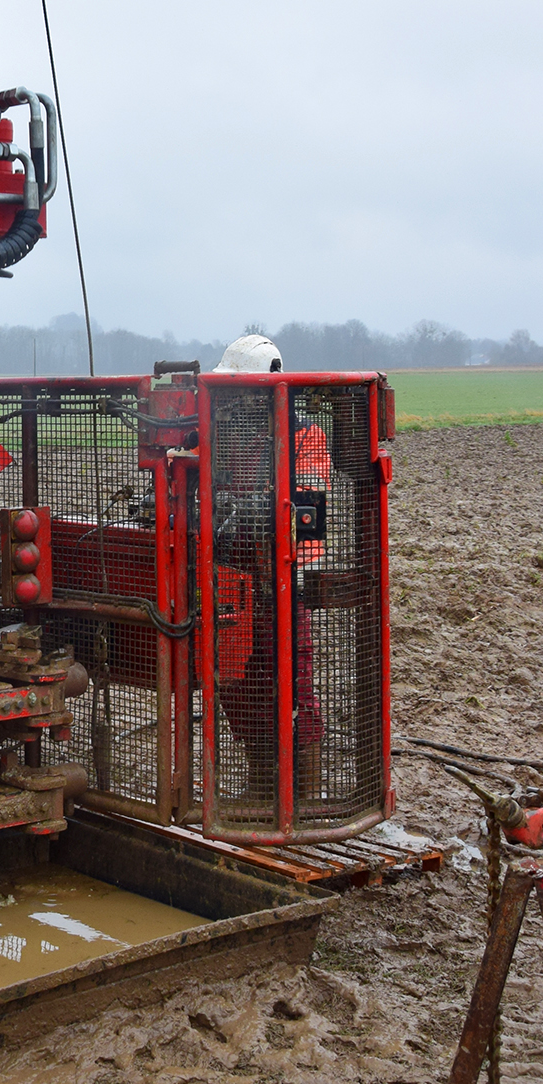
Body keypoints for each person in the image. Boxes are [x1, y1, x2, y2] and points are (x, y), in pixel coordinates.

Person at [211, 334, 325, 807]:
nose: (235, 399)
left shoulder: (303, 436)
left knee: (294, 685)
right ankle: (261, 789)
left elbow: (308, 509)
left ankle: (305, 797)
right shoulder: (231, 434)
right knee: (238, 684)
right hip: (235, 580)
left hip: (285, 581)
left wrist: (245, 508)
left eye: (241, 389)